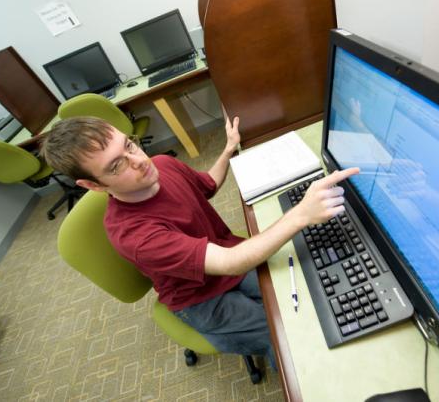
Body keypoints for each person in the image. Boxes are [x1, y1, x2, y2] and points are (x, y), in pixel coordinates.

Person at [41, 115, 358, 369]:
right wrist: (301, 214)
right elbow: (230, 263)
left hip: (227, 255)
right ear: (92, 185)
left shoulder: (161, 165)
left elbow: (206, 184)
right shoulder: (134, 235)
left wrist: (228, 149)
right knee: (284, 335)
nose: (138, 161)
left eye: (129, 145)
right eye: (116, 165)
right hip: (201, 298)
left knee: (304, 296)